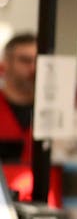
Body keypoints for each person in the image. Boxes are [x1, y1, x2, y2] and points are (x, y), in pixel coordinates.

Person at [0, 32, 38, 163]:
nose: (33, 68)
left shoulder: (49, 110)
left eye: (37, 61)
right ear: (6, 64)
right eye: (25, 60)